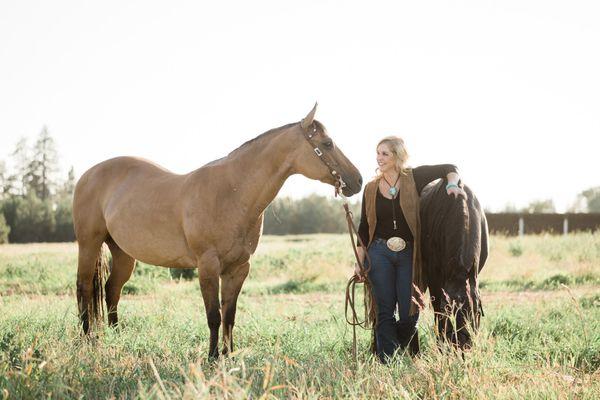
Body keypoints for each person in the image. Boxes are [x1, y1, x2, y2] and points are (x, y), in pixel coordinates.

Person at [354, 136, 466, 362]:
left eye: (385, 153)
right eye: (378, 153)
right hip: (379, 253)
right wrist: (359, 262)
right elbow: (364, 229)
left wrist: (453, 184)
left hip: (408, 253)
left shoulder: (414, 177)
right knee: (384, 311)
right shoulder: (371, 188)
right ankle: (388, 362)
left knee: (409, 312)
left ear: (398, 156)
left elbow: (450, 168)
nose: (379, 158)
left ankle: (391, 344)